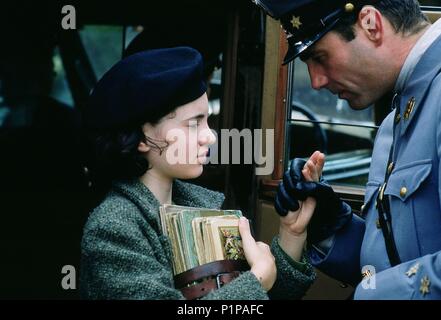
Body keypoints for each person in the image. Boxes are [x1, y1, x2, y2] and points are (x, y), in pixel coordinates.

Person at [80, 47, 316, 299]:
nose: (210, 136)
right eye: (194, 124)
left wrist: (292, 234)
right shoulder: (113, 228)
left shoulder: (197, 206)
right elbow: (253, 291)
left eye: (206, 120)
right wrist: (256, 280)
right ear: (142, 137)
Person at [254, 0, 441, 299]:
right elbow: (392, 262)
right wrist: (329, 225)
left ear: (371, 24)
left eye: (320, 57)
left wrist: (366, 296)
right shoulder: (394, 122)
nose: (316, 82)